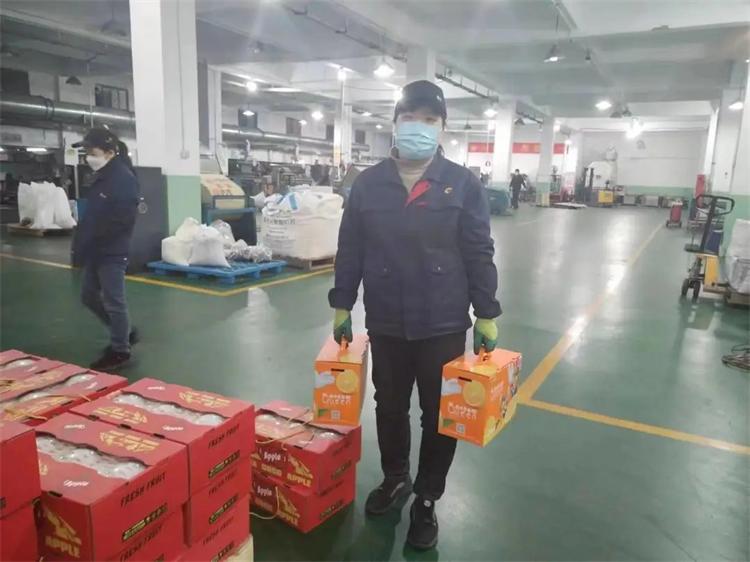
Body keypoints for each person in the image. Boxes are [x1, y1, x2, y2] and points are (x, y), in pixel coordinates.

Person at [328, 80, 500, 551]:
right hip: (386, 318)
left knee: (440, 415)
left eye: (429, 119)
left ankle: (427, 499)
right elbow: (350, 247)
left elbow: (478, 250)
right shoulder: (368, 183)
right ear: (395, 123)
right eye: (410, 118)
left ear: (442, 127)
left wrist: (487, 312)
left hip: (443, 321)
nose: (419, 127)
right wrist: (342, 303)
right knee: (388, 406)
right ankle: (396, 478)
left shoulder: (462, 183)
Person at [71, 128, 139, 371]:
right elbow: (93, 215)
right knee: (88, 296)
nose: (89, 156)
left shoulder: (123, 178)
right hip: (95, 249)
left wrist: (96, 237)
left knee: (114, 301)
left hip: (111, 251)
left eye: (93, 151)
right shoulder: (102, 176)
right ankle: (124, 332)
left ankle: (120, 351)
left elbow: (123, 219)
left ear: (110, 152)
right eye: (87, 152)